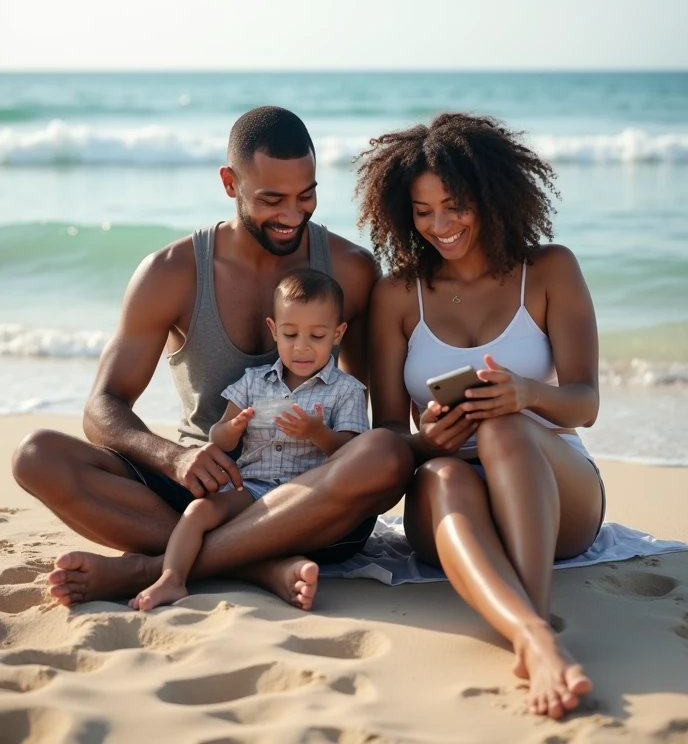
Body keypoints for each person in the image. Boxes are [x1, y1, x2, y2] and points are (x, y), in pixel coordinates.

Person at [12, 106, 413, 610]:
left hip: (312, 503)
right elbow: (103, 406)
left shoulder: (351, 270)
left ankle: (154, 569)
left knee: (388, 455)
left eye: (305, 196)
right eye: (272, 199)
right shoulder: (171, 272)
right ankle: (258, 564)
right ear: (230, 182)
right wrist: (174, 458)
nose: (293, 215)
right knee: (38, 456)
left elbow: (364, 415)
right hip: (204, 491)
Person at [357, 112, 604, 721]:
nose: (440, 225)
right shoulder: (396, 295)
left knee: (504, 425)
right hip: (451, 500)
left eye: (455, 205)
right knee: (441, 474)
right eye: (422, 211)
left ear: (490, 195)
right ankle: (535, 640)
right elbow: (389, 431)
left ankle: (535, 624)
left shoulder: (549, 270)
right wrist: (427, 442)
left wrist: (525, 393)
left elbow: (585, 402)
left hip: (556, 492)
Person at [130, 270, 369, 611]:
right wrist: (234, 427)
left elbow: (354, 455)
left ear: (337, 334)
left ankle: (276, 569)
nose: (302, 346)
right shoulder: (253, 382)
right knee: (199, 510)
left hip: (307, 495)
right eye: (290, 334)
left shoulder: (346, 390)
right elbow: (219, 437)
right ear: (274, 330)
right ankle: (172, 578)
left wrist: (317, 433)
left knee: (280, 530)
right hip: (252, 487)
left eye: (317, 335)